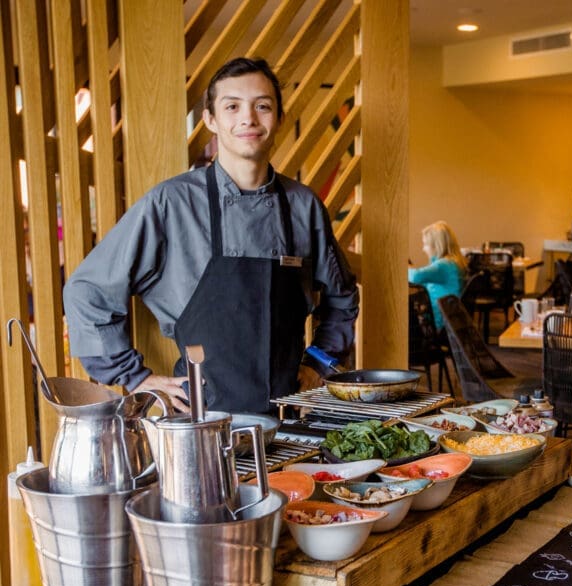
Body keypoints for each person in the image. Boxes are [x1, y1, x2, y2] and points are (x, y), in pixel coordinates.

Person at [64, 57, 359, 414]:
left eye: (262, 106)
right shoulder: (172, 203)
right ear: (211, 120)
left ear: (279, 117)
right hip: (200, 420)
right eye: (232, 106)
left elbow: (341, 298)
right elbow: (87, 291)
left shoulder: (303, 206)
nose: (248, 118)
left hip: (290, 415)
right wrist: (134, 377)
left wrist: (317, 362)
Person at [408, 221, 468, 328]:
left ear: (437, 245)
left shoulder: (444, 266)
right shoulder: (454, 262)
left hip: (438, 322)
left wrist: (404, 268)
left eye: (426, 244)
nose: (423, 249)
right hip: (450, 319)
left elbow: (415, 277)